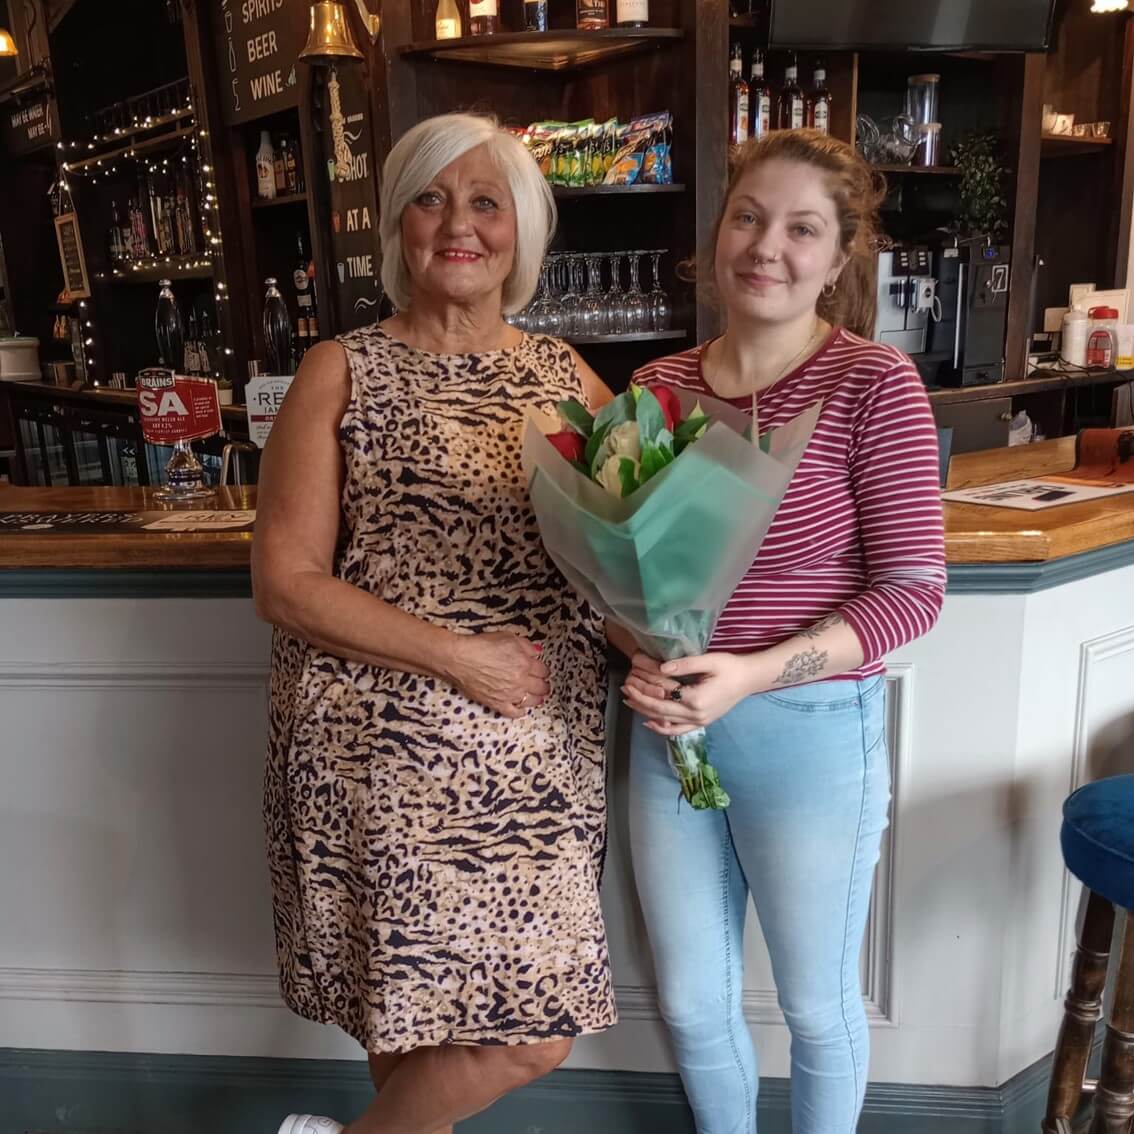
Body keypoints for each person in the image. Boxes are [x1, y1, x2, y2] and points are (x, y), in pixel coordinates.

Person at [252, 113, 615, 1134]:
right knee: (412, 1028)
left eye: (486, 201)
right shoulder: (341, 371)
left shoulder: (569, 381)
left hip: (536, 758)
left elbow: (628, 556)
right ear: (396, 225)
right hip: (378, 751)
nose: (460, 224)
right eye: (430, 197)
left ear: (523, 230)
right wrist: (463, 660)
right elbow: (285, 582)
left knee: (527, 1028)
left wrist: (668, 635)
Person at [614, 129, 947, 1133]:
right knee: (692, 1003)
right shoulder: (656, 388)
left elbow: (915, 591)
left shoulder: (873, 386)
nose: (768, 247)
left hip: (810, 735)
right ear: (717, 232)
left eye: (802, 229)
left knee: (813, 1006)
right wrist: (628, 642)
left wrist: (752, 675)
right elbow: (616, 573)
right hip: (667, 733)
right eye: (749, 218)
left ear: (839, 259)